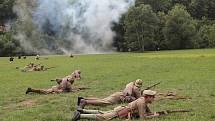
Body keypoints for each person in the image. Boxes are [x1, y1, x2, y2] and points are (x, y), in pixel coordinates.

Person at [72, 90, 159, 121]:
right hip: (122, 112)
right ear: (148, 97)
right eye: (153, 97)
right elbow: (142, 117)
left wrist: (151, 113)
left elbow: (147, 110)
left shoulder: (143, 100)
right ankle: (80, 116)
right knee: (103, 117)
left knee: (103, 112)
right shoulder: (142, 102)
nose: (154, 99)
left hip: (122, 109)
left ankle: (82, 111)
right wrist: (154, 116)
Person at [77, 79, 143, 108]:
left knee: (102, 99)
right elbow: (139, 99)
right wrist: (142, 94)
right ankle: (85, 102)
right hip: (119, 97)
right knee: (105, 103)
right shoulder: (136, 89)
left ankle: (83, 99)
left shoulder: (130, 84)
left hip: (118, 94)